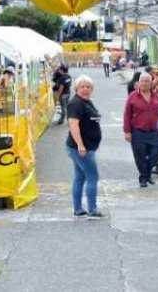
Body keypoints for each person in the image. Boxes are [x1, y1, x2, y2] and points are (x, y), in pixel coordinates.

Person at [66, 75, 103, 219]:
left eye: (88, 86)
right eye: (82, 86)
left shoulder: (86, 101)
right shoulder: (76, 104)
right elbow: (73, 125)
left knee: (80, 177)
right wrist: (80, 145)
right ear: (76, 88)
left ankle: (78, 208)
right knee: (92, 176)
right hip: (81, 148)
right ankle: (92, 209)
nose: (85, 89)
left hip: (86, 147)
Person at [123, 73, 158, 187]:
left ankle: (147, 173)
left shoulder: (155, 96)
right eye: (142, 81)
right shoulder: (132, 96)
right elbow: (127, 114)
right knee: (140, 156)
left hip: (153, 131)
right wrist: (127, 131)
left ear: (151, 83)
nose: (144, 83)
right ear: (138, 82)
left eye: (147, 81)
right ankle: (144, 178)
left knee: (155, 154)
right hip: (137, 132)